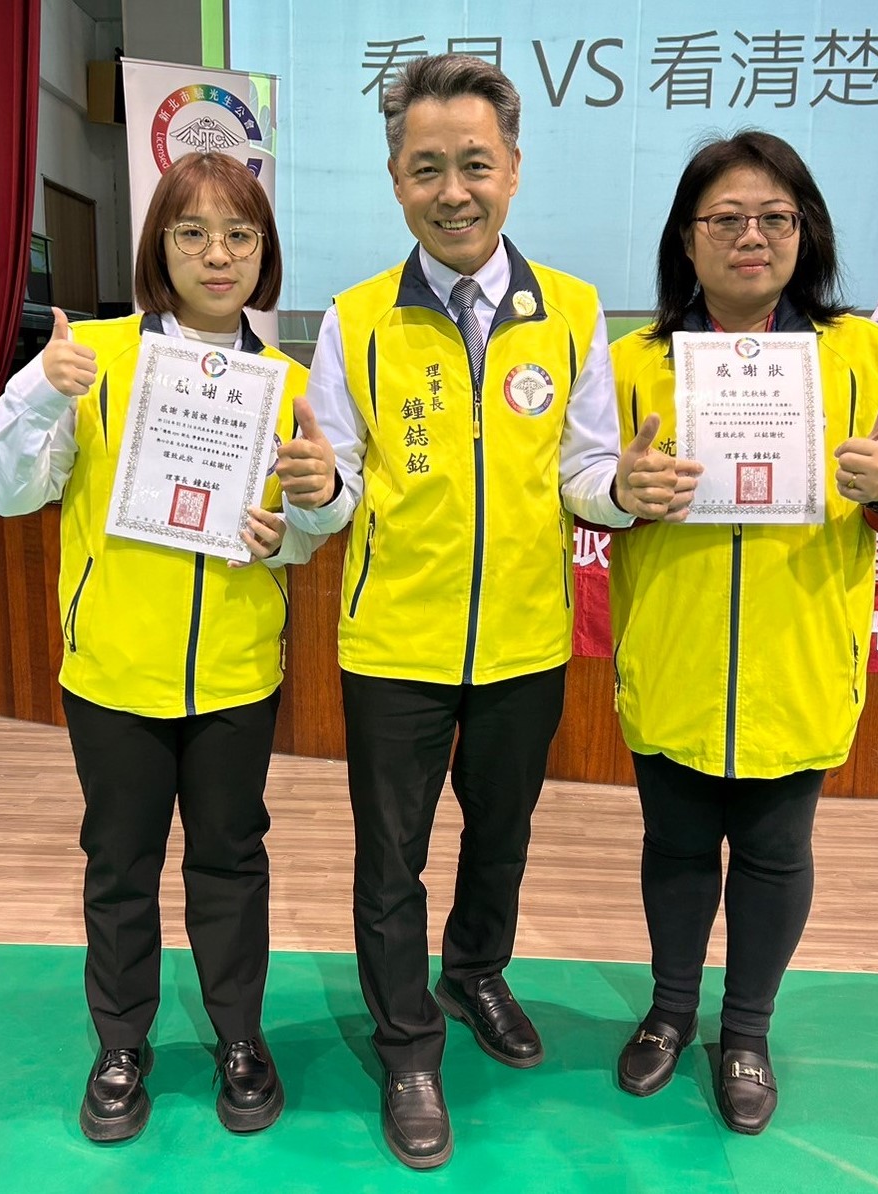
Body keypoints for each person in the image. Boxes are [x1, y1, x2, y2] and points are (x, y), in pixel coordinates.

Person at [277, 54, 648, 1169]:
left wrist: (626, 489)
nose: (453, 191)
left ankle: (476, 972)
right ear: (396, 180)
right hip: (395, 642)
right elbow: (336, 490)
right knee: (389, 859)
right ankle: (407, 1046)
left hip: (526, 641)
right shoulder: (355, 321)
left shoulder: (572, 311)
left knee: (502, 835)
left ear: (514, 170)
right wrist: (316, 489)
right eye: (427, 167)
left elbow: (585, 472)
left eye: (475, 164)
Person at [0, 152, 319, 1142]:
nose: (217, 255)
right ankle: (121, 1044)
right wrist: (42, 394)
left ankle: (240, 1038)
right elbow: (10, 492)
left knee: (231, 862)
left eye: (240, 234)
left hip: (235, 675)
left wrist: (291, 530)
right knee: (120, 864)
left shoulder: (290, 385)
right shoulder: (90, 361)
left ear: (265, 252)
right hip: (114, 674)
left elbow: (308, 530)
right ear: (158, 248)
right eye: (191, 233)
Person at [608, 130, 878, 1136]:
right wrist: (623, 490)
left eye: (774, 218)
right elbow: (589, 496)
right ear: (686, 238)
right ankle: (669, 1014)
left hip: (798, 657)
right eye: (725, 219)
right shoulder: (633, 365)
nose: (751, 236)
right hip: (676, 653)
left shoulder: (863, 358)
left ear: (805, 232)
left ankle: (744, 1032)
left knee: (776, 855)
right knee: (674, 848)